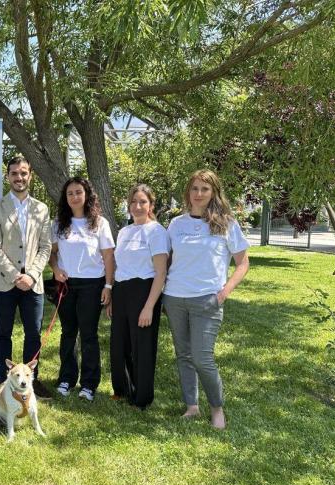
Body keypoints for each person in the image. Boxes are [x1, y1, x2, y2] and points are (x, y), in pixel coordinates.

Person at [163, 169, 250, 429]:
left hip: (207, 300)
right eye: (194, 188)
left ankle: (217, 408)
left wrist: (225, 291)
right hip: (175, 298)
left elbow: (243, 263)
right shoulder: (176, 224)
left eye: (205, 189)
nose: (199, 194)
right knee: (184, 355)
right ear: (188, 192)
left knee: (202, 358)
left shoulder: (226, 224)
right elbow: (166, 260)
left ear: (214, 192)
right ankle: (192, 406)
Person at [0, 156, 53, 399]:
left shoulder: (42, 209)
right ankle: (5, 382)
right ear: (8, 177)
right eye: (14, 173)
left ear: (30, 175)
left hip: (33, 284)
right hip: (5, 282)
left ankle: (32, 380)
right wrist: (16, 276)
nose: (19, 177)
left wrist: (31, 276)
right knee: (3, 333)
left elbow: (46, 246)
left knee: (33, 334)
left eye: (23, 173)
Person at [49, 177, 115, 401]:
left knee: (88, 335)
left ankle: (88, 384)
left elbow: (108, 256)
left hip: (92, 285)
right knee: (68, 333)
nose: (74, 197)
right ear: (65, 198)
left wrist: (108, 285)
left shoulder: (99, 223)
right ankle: (66, 379)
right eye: (70, 193)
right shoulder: (58, 223)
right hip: (66, 285)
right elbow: (52, 253)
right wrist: (55, 269)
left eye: (78, 192)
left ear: (87, 195)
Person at [107, 184, 169, 410]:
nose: (137, 206)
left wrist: (149, 307)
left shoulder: (157, 232)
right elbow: (118, 265)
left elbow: (161, 273)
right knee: (119, 343)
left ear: (151, 205)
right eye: (133, 202)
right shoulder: (125, 232)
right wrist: (113, 296)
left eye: (143, 202)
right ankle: (122, 390)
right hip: (122, 291)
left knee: (142, 346)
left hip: (144, 291)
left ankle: (142, 397)